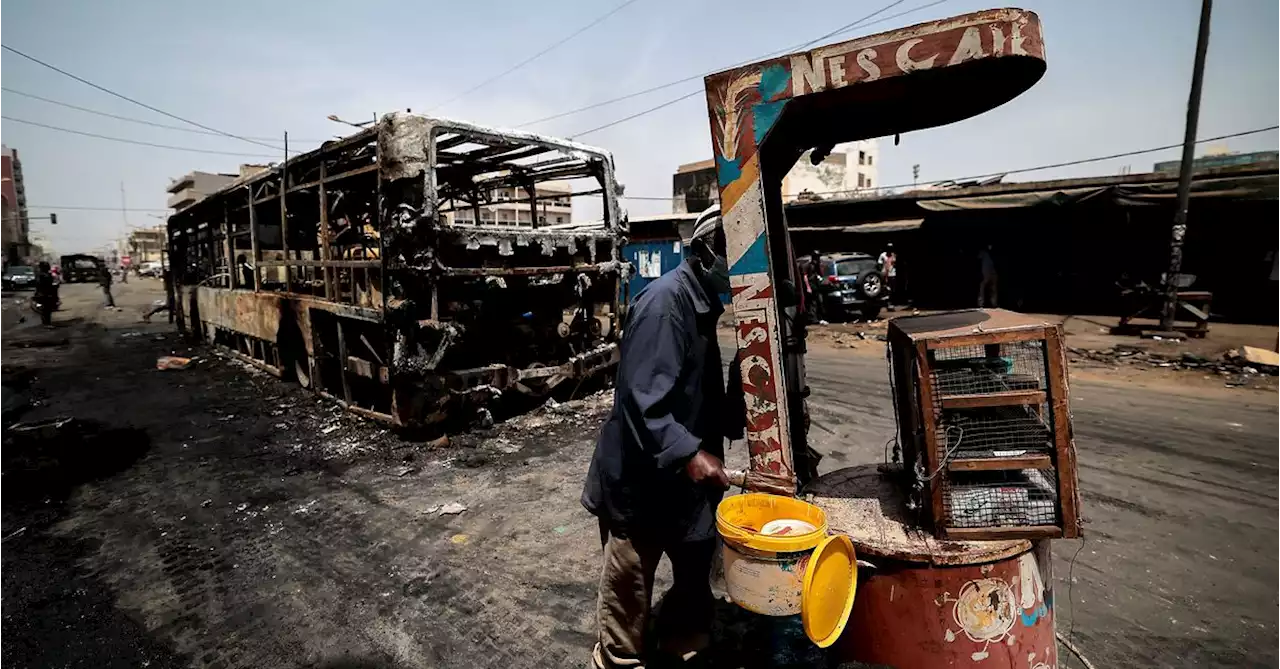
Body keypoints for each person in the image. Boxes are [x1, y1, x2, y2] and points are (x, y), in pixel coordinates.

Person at [582, 205, 744, 669]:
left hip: (681, 482)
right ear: (707, 251)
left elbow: (698, 393)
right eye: (735, 257)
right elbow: (641, 403)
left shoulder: (704, 305)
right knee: (630, 581)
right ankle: (619, 659)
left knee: (695, 565)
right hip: (642, 478)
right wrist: (692, 453)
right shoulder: (664, 305)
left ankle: (679, 638)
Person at [33, 261, 58, 327]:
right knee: (46, 309)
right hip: (44, 294)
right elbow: (39, 285)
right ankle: (46, 323)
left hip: (47, 293)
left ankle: (47, 322)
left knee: (48, 309)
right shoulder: (42, 275)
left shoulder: (47, 274)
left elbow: (52, 283)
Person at [977, 244, 998, 308]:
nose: (990, 247)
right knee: (982, 287)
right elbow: (978, 260)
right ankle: (981, 303)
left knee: (993, 288)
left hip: (993, 272)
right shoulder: (983, 253)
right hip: (985, 273)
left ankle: (994, 303)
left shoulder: (993, 253)